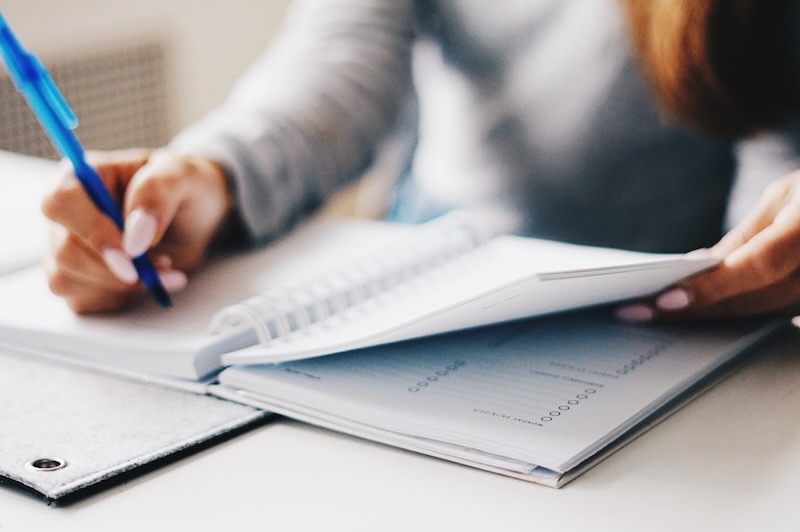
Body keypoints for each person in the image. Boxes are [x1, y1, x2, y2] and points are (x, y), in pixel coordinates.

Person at [40, 0, 800, 321]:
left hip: (658, 324)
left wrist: (767, 261)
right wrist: (209, 177)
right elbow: (338, 66)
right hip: (422, 294)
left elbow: (778, 138)